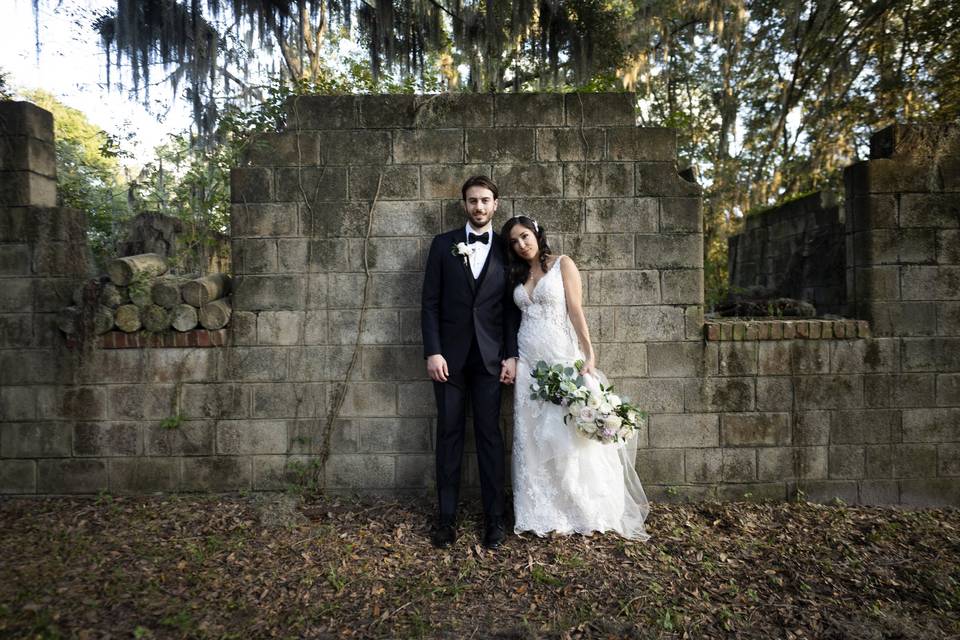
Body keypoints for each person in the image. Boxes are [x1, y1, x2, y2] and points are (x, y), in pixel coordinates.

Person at [502, 215, 650, 540]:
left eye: (525, 236)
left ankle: (580, 508)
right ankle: (540, 510)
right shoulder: (516, 274)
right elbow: (510, 320)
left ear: (538, 233)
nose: (521, 244)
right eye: (514, 241)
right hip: (528, 364)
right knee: (533, 438)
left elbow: (575, 310)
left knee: (567, 434)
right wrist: (512, 358)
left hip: (561, 360)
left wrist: (589, 353)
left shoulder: (562, 264)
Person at [421, 175, 520, 549]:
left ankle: (494, 520)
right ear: (464, 204)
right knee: (448, 436)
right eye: (472, 201)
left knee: (490, 438)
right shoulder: (442, 245)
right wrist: (433, 351)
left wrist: (511, 354)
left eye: (485, 201)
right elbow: (429, 303)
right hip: (449, 360)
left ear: (496, 204)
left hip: (491, 362)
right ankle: (446, 519)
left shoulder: (507, 249)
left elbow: (512, 309)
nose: (479, 207)